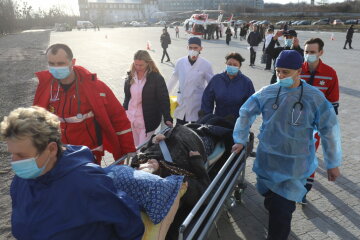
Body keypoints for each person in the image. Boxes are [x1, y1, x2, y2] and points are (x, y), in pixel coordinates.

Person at [232, 50, 342, 240]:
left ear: (299, 71)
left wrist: (333, 163)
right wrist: (240, 140)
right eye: (278, 71)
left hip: (294, 166)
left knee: (281, 214)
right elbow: (245, 113)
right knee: (269, 198)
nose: (280, 76)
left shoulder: (314, 97)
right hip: (268, 161)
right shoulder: (268, 92)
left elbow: (329, 130)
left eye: (286, 72)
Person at [0, 106, 144, 240]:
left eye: (22, 155)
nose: (15, 162)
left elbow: (130, 225)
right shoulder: (21, 181)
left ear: (51, 149)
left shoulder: (87, 183)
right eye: (11, 154)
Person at [33, 43, 135, 164]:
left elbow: (118, 118)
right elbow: (37, 120)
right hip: (58, 154)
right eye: (51, 64)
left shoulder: (96, 87)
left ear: (73, 62)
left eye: (61, 64)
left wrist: (128, 148)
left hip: (88, 155)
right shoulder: (45, 88)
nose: (56, 68)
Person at [300, 37, 340, 204]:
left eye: (312, 52)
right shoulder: (296, 69)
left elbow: (332, 106)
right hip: (292, 124)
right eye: (306, 52)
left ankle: (303, 191)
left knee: (308, 157)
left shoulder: (330, 74)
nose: (308, 55)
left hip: (314, 126)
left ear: (321, 52)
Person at [123, 50, 173, 147]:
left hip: (147, 121)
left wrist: (167, 117)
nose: (138, 67)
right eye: (136, 64)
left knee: (142, 149)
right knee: (133, 148)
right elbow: (127, 97)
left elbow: (164, 99)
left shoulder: (156, 78)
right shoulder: (130, 76)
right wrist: (123, 110)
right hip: (131, 119)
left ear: (148, 63)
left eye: (141, 65)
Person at [167, 37, 213, 125]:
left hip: (197, 103)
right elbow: (173, 79)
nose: (193, 50)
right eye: (190, 47)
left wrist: (209, 102)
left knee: (196, 131)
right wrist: (165, 95)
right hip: (182, 102)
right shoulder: (180, 62)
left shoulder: (206, 65)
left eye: (195, 48)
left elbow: (211, 85)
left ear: (201, 48)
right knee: (180, 130)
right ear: (187, 48)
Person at [200, 52, 255, 123]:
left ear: (239, 66)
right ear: (225, 64)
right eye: (229, 64)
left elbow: (251, 106)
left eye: (235, 65)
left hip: (237, 123)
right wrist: (205, 118)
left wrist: (244, 123)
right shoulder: (217, 79)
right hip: (217, 121)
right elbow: (207, 99)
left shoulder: (246, 82)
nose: (232, 66)